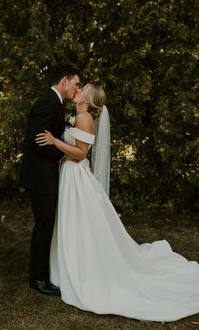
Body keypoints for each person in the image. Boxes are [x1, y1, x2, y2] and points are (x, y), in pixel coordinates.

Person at [35, 83, 199, 321]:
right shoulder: (80, 116)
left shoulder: (83, 118)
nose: (78, 91)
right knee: (73, 221)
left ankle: (80, 266)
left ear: (87, 98)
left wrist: (53, 140)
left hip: (76, 174)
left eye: (82, 89)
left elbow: (80, 153)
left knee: (77, 221)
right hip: (70, 174)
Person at [19, 63, 80, 295]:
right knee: (44, 226)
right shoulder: (47, 102)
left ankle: (42, 273)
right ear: (64, 80)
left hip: (44, 174)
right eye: (75, 83)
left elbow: (50, 136)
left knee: (46, 225)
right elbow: (36, 140)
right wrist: (62, 156)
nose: (77, 88)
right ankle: (38, 279)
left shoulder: (55, 102)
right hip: (40, 176)